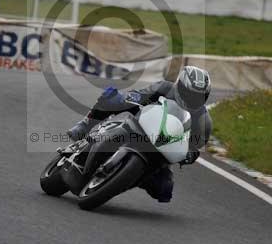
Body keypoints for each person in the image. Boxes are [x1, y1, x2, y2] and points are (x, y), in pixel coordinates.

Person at [67, 66, 213, 203]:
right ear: (179, 86)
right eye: (189, 94)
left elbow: (196, 145)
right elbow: (140, 95)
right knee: (111, 97)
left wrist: (189, 155)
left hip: (161, 151)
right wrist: (130, 99)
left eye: (198, 97)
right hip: (138, 127)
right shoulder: (164, 88)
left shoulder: (203, 120)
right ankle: (85, 125)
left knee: (164, 190)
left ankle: (127, 177)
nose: (192, 99)